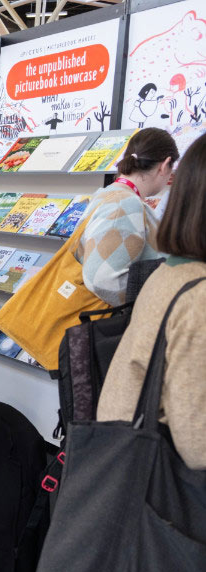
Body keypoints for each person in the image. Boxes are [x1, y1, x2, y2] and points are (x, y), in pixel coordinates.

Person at [97, 133, 206, 470]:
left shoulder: (171, 274)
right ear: (165, 166)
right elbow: (197, 445)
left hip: (120, 457)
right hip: (153, 483)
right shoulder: (197, 295)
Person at [77, 127, 179, 306]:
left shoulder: (107, 194)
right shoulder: (126, 203)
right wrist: (163, 296)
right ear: (165, 165)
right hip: (114, 324)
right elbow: (103, 280)